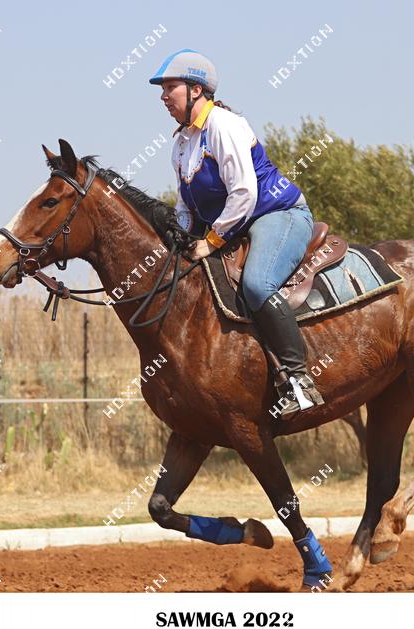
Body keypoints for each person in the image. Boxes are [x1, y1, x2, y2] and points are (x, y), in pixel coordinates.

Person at [149, 49, 324, 419]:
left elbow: (244, 194)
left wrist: (210, 242)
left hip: (277, 214)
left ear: (196, 90)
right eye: (162, 90)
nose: (163, 96)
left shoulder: (223, 126)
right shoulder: (181, 142)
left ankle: (299, 380)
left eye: (169, 88)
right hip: (236, 226)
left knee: (258, 285)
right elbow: (185, 206)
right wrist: (177, 239)